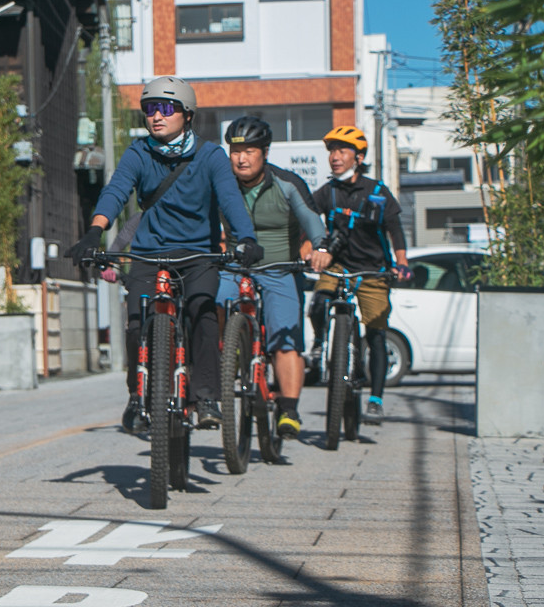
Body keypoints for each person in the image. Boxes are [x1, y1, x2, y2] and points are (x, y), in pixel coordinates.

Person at [69, 76, 262, 433]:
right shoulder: (139, 152)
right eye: (149, 108)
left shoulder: (211, 156)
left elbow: (230, 200)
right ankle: (137, 396)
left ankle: (206, 397)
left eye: (166, 108)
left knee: (203, 312)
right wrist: (95, 231)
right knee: (135, 323)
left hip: (198, 254)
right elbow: (116, 191)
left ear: (187, 114)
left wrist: (246, 238)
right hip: (148, 253)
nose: (156, 116)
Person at [216, 116, 331, 439]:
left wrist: (320, 246)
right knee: (211, 301)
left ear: (264, 152)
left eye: (249, 151)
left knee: (285, 339)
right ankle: (228, 354)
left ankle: (289, 410)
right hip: (234, 265)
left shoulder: (288, 183)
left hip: (280, 267)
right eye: (235, 151)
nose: (241, 158)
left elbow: (312, 221)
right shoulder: (220, 184)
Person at [308, 125, 411, 425]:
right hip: (338, 267)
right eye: (332, 151)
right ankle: (318, 344)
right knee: (318, 302)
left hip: (373, 270)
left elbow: (395, 230)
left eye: (342, 151)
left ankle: (376, 399)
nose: (335, 157)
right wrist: (307, 247)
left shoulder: (377, 191)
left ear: (359, 157)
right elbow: (308, 218)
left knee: (376, 334)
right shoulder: (328, 191)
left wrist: (401, 262)